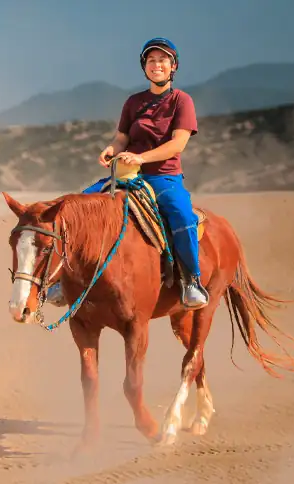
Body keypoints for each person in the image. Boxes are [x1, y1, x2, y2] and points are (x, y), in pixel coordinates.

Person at [85, 37, 206, 309]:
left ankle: (191, 280)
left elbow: (178, 143)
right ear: (144, 66)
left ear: (173, 66)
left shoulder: (181, 101)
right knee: (79, 205)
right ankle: (65, 279)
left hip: (163, 176)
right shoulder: (133, 102)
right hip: (128, 174)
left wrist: (142, 157)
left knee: (182, 214)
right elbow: (121, 138)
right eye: (151, 60)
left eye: (162, 60)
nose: (156, 65)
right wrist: (110, 149)